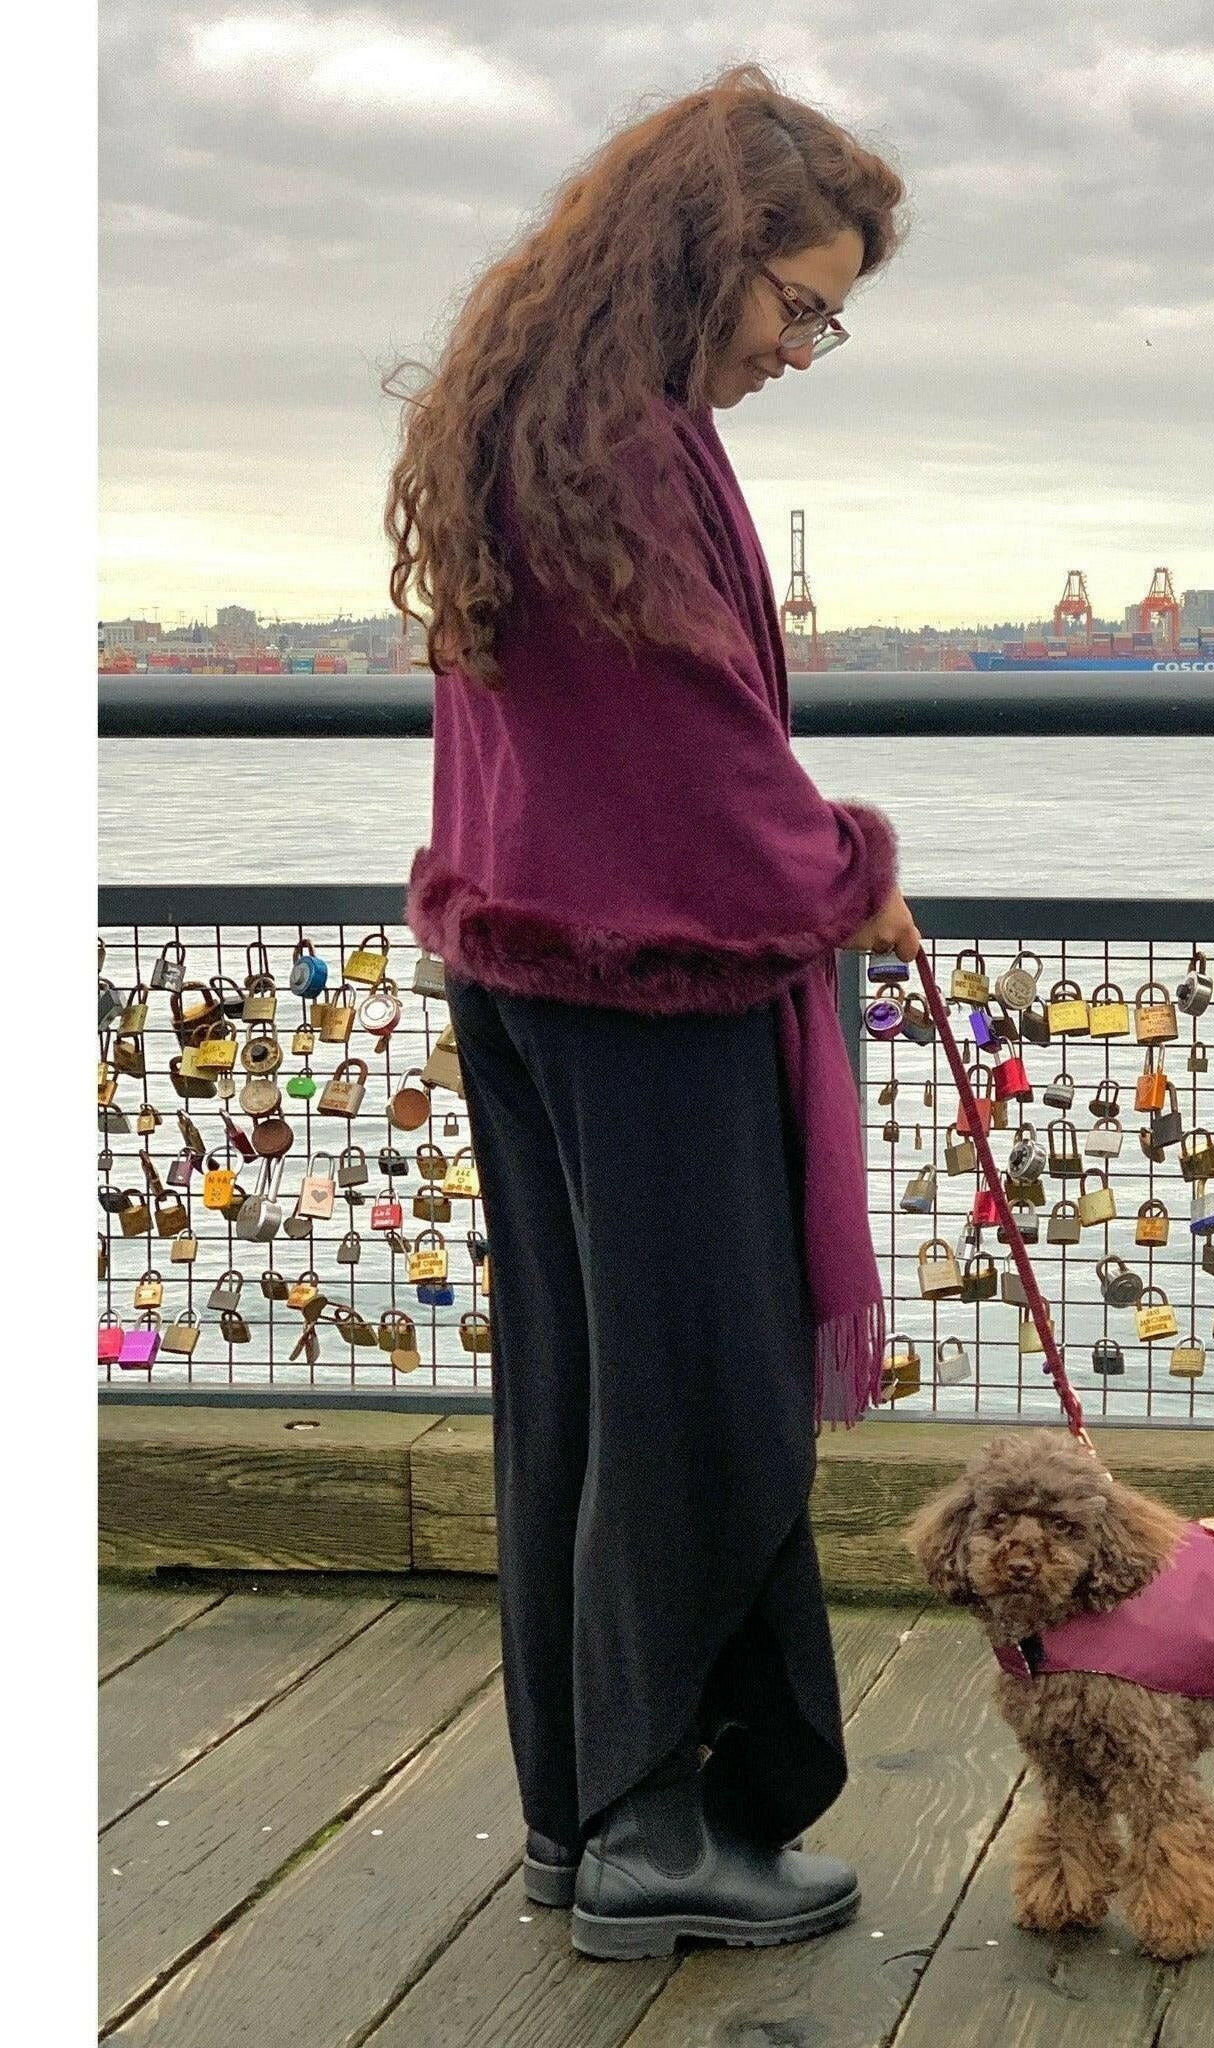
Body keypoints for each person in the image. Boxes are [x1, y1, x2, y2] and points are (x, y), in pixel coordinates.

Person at [384, 63, 921, 1962]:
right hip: (644, 989)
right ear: (709, 259)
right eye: (799, 300)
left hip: (534, 974)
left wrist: (817, 854)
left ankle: (588, 1816)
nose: (806, 341)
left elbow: (631, 745)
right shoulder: (620, 443)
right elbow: (692, 765)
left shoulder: (539, 408)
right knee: (698, 1409)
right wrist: (853, 860)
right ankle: (644, 1832)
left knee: (587, 1403)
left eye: (828, 314)